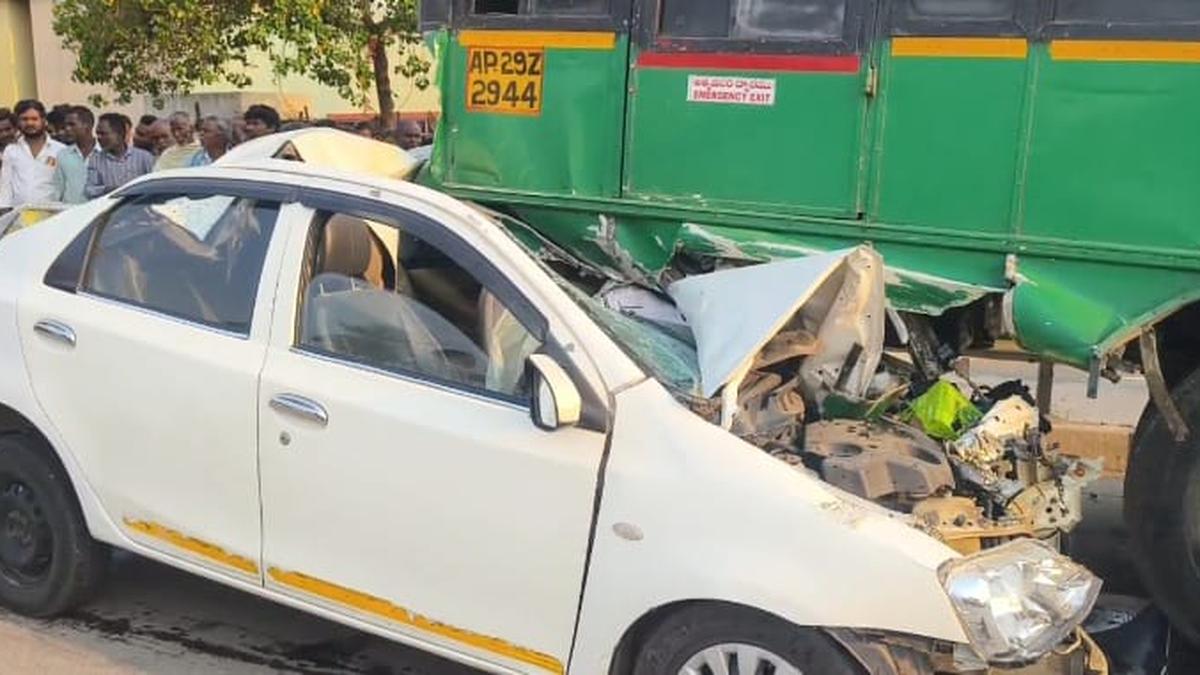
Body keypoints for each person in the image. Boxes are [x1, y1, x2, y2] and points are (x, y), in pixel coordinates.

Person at [0, 100, 66, 209]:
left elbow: (65, 187)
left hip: (53, 214)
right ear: (18, 122)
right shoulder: (11, 150)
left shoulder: (60, 150)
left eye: (34, 119)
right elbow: (6, 186)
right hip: (19, 217)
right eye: (24, 119)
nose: (29, 123)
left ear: (44, 120)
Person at [84, 113, 155, 198]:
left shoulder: (144, 158)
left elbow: (154, 184)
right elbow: (89, 190)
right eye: (97, 133)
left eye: (103, 133)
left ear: (119, 134)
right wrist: (108, 190)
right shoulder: (95, 159)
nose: (99, 137)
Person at [53, 106, 97, 204]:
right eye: (66, 126)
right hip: (70, 213)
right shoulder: (63, 154)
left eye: (72, 125)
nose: (67, 129)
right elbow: (58, 189)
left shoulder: (104, 153)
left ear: (87, 125)